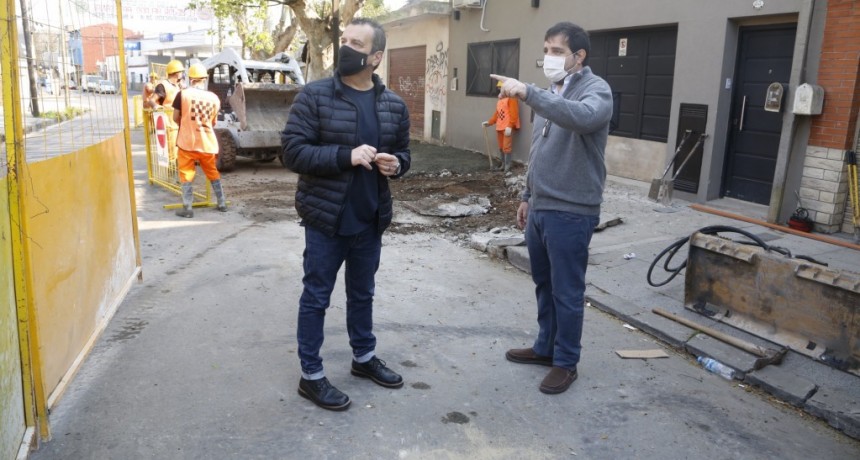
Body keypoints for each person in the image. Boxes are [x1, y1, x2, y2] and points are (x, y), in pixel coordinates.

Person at [281, 18, 411, 412]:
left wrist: (397, 165)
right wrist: (345, 156)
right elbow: (292, 153)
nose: (345, 48)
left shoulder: (393, 105)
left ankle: (363, 357)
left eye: (356, 43)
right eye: (344, 40)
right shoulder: (314, 96)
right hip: (326, 220)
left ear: (376, 57)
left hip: (370, 219)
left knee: (362, 293)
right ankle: (311, 375)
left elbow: (404, 154)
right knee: (316, 297)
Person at [492, 21, 613, 395]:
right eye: (546, 50)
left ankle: (566, 362)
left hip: (572, 210)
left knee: (567, 291)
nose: (550, 58)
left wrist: (528, 93)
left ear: (579, 56)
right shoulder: (548, 94)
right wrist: (527, 196)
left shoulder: (597, 90)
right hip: (541, 207)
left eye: (557, 51)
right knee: (544, 284)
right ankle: (546, 347)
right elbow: (539, 150)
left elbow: (581, 117)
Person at [171, 63, 225, 217]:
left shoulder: (183, 94)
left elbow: (175, 117)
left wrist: (186, 125)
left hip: (187, 143)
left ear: (190, 79)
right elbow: (213, 122)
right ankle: (221, 203)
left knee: (186, 174)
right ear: (204, 79)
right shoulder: (214, 98)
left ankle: (187, 208)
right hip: (207, 142)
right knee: (212, 172)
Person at [150, 59, 185, 163]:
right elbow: (152, 100)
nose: (182, 74)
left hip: (177, 123)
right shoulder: (163, 86)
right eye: (181, 72)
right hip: (168, 124)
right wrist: (156, 107)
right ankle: (170, 170)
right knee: (171, 153)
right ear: (176, 73)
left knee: (177, 151)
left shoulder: (177, 85)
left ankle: (174, 168)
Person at [482, 80, 520, 172]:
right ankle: (503, 165)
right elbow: (497, 114)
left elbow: (514, 113)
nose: (499, 89)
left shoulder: (512, 98)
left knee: (506, 147)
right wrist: (489, 122)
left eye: (501, 88)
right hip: (499, 126)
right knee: (501, 146)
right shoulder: (500, 100)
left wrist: (510, 126)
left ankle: (507, 166)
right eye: (499, 88)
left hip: (507, 127)